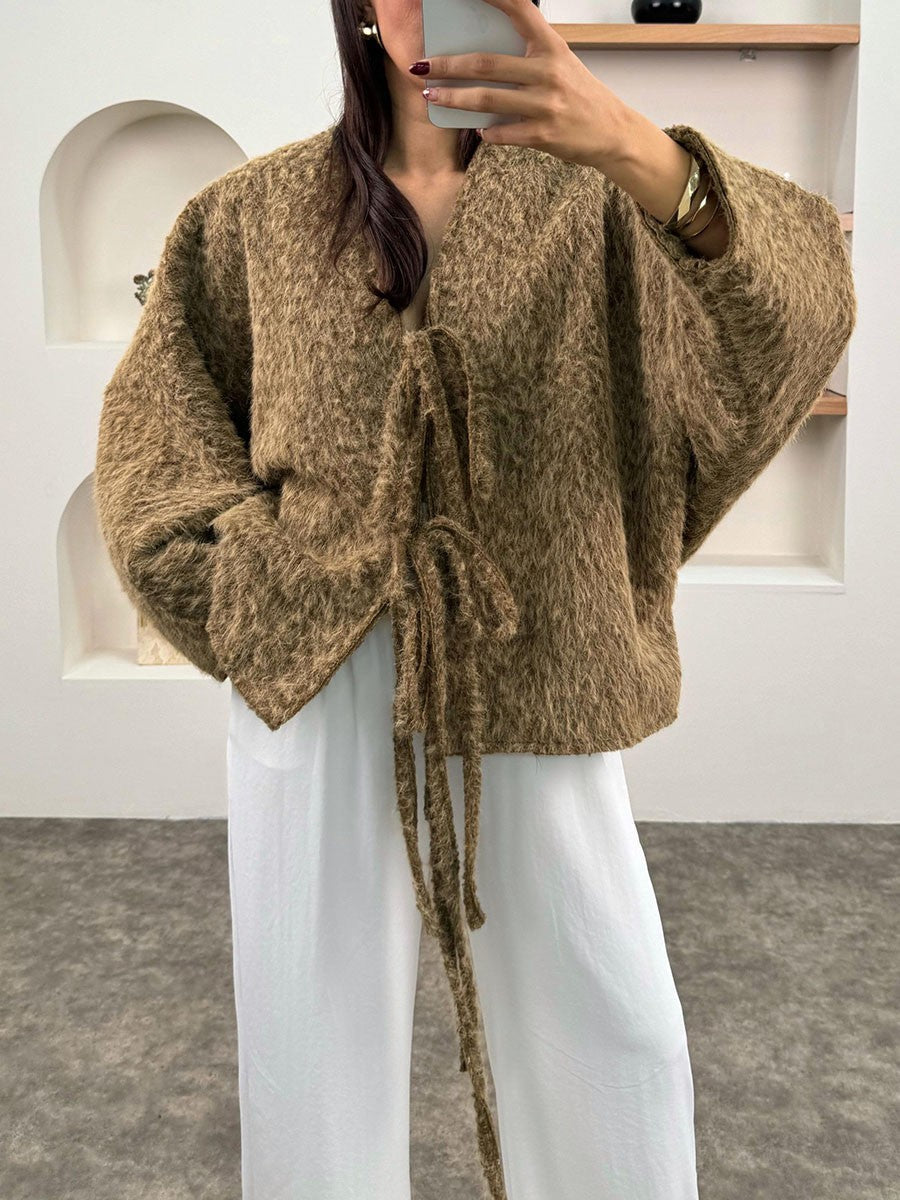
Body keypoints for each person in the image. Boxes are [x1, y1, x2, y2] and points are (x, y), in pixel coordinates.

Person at [94, 1, 857, 1197]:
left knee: (613, 1024)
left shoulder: (600, 195)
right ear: (359, 9)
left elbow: (801, 311)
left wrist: (634, 146)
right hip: (318, 657)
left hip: (533, 646)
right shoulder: (251, 214)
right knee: (311, 1037)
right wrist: (247, 590)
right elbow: (158, 437)